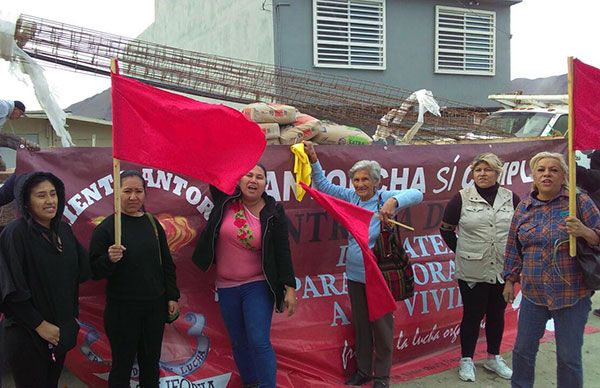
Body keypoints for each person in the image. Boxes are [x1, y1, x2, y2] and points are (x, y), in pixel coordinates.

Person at [303, 141, 423, 388]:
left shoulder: (384, 198)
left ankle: (382, 377)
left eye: (365, 180)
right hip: (355, 275)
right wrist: (313, 158)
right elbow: (324, 186)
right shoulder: (350, 196)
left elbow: (418, 193)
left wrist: (394, 203)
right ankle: (364, 371)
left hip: (378, 276)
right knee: (361, 327)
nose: (359, 184)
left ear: (376, 182)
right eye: (356, 180)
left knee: (382, 329)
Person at [192, 164, 297, 388]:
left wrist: (289, 287)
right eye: (249, 175)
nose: (253, 180)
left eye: (260, 177)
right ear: (238, 180)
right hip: (226, 287)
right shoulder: (226, 201)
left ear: (265, 185)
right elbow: (215, 170)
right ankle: (251, 383)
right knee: (239, 342)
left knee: (258, 341)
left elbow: (282, 251)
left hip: (257, 285)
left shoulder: (273, 211)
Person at [503, 152, 600, 388]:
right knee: (523, 352)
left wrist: (584, 232)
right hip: (533, 294)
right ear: (534, 176)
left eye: (554, 170)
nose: (547, 174)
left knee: (568, 358)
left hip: (572, 295)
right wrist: (509, 279)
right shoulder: (524, 207)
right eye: (541, 169)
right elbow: (513, 246)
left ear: (564, 176)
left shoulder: (579, 202)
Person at [89, 170, 180, 387]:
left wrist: (172, 296)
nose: (133, 197)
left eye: (138, 191)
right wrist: (109, 260)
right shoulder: (107, 228)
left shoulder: (152, 223)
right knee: (122, 366)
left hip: (154, 308)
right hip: (122, 311)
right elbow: (92, 271)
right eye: (127, 191)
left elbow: (166, 263)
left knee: (150, 364)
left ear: (145, 194)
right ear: (117, 194)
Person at [0, 172, 90, 387]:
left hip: (59, 334)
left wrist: (111, 257)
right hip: (28, 335)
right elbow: (9, 288)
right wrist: (39, 325)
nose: (50, 201)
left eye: (53, 193)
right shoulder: (15, 234)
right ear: (26, 202)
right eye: (41, 195)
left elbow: (84, 270)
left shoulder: (64, 230)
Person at [440, 153, 519, 382]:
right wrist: (463, 251)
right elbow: (446, 230)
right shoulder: (461, 198)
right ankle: (466, 360)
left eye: (488, 170)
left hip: (502, 268)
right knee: (472, 315)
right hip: (472, 269)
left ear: (498, 173)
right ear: (472, 174)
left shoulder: (510, 198)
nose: (482, 174)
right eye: (478, 170)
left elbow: (518, 230)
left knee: (497, 314)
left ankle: (493, 358)